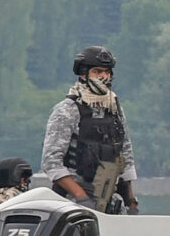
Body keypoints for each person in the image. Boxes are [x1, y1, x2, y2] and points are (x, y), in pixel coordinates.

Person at [44, 45, 140, 214]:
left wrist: (131, 202)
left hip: (108, 197)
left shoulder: (115, 108)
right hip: (72, 200)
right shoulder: (67, 109)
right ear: (83, 73)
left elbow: (126, 156)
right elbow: (51, 162)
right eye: (97, 71)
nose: (104, 76)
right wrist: (81, 197)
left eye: (107, 72)